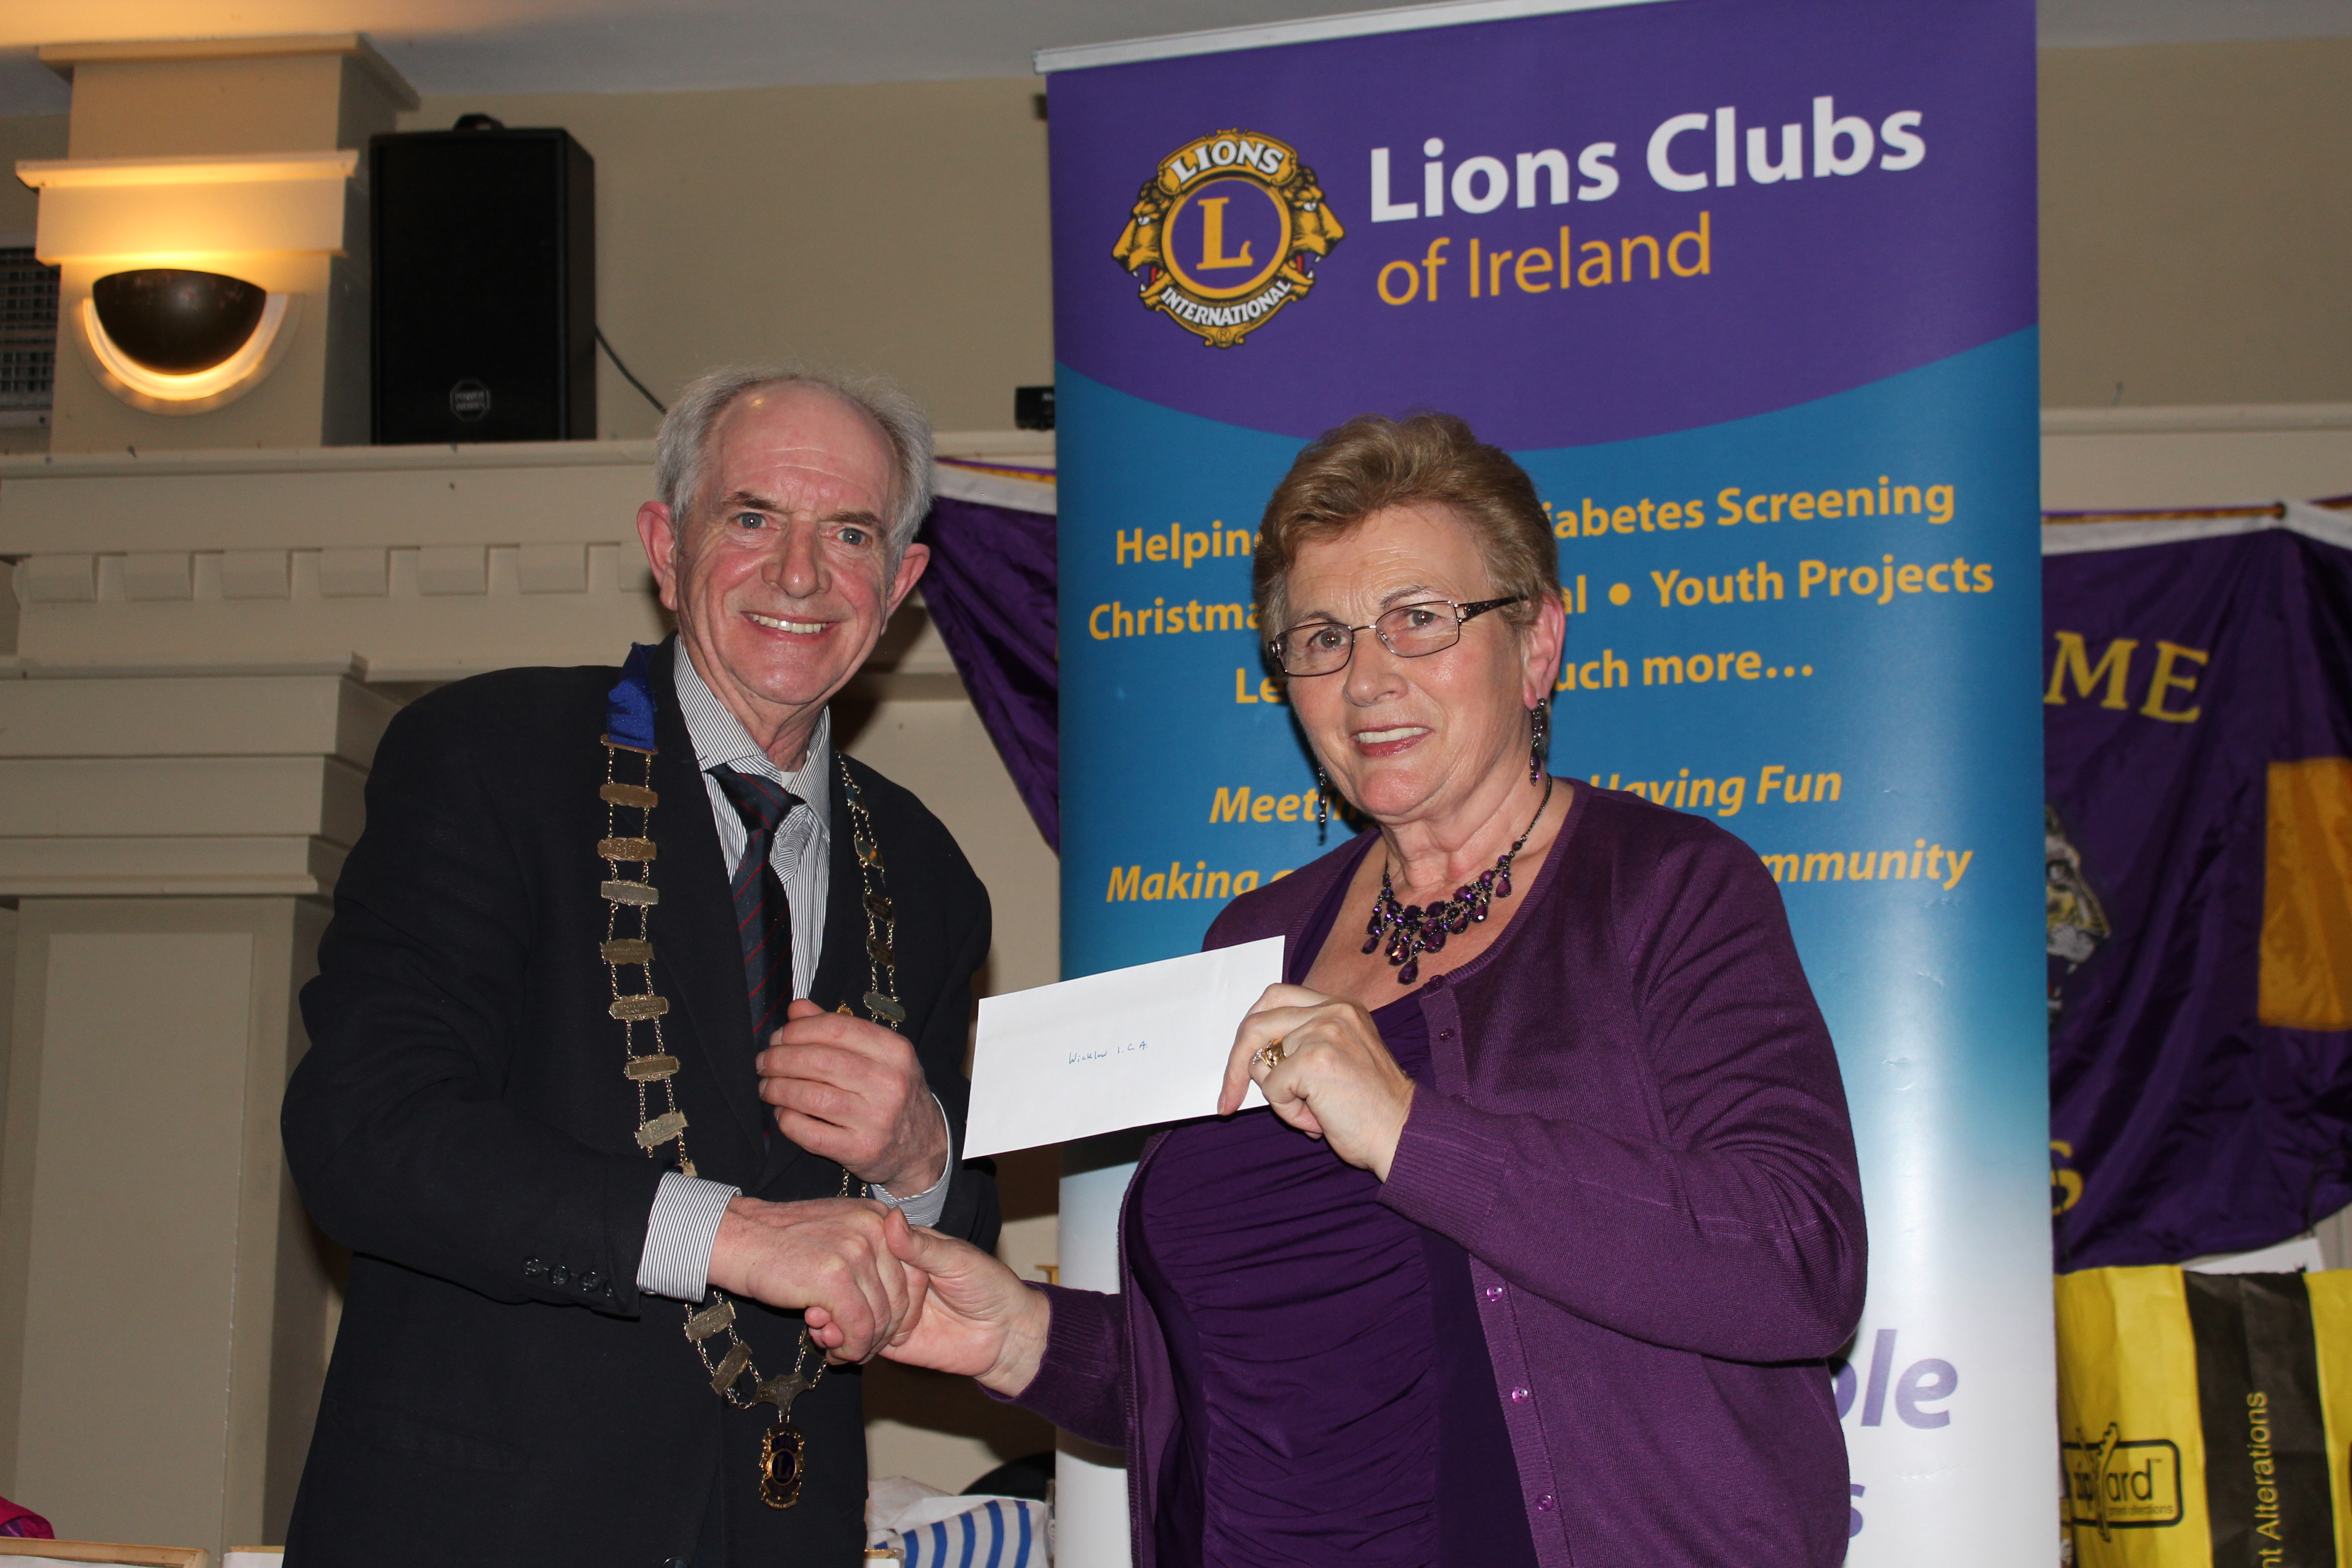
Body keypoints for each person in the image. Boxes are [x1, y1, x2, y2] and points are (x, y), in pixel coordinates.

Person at [878, 413, 1867, 1566]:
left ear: (1538, 645)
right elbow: (1262, 1382)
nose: (1367, 679)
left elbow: (1800, 1265)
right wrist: (1025, 1340)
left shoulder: (1667, 890)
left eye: (1420, 621)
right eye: (1321, 637)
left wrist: (1407, 1128)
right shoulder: (1258, 940)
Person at [281, 367, 998, 1566]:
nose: (800, 573)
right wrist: (738, 1237)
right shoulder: (490, 760)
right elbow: (368, 1135)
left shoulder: (929, 876)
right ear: (666, 549)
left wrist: (923, 1163)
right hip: (483, 1531)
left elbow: (944, 1264)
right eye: (753, 517)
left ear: (903, 586)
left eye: (852, 533)